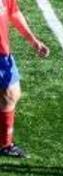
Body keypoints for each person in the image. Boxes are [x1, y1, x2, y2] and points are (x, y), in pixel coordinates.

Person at [0, 0, 49, 158]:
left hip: (3, 53)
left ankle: (5, 143)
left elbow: (13, 11)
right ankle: (5, 144)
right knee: (10, 94)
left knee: (11, 94)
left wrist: (33, 40)